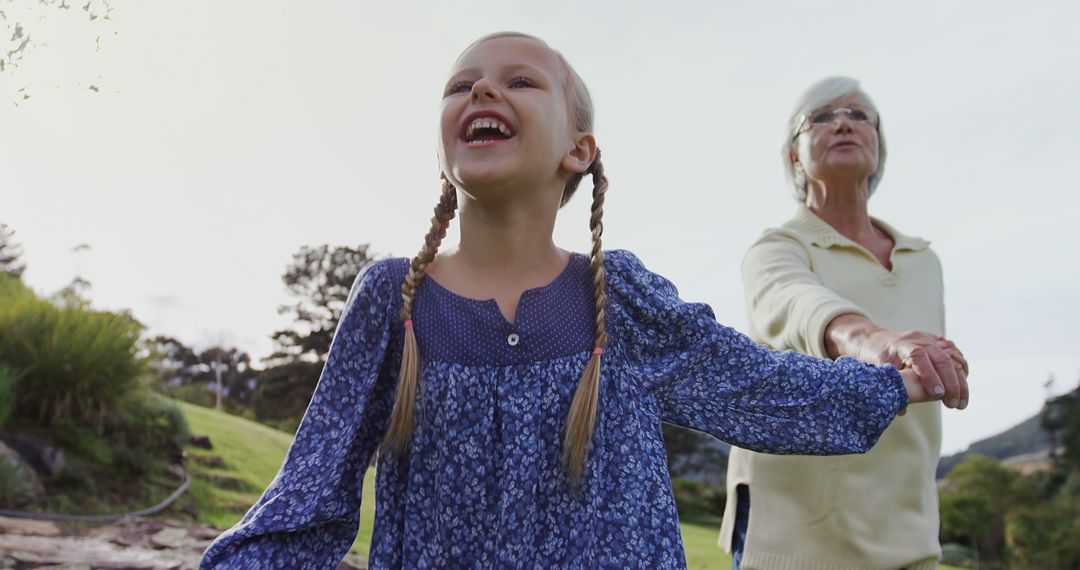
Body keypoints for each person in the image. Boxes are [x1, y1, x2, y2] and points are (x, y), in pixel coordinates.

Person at [200, 39, 951, 569]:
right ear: (442, 147)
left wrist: (894, 380)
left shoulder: (615, 300)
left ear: (579, 149)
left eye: (520, 81)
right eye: (462, 84)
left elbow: (757, 388)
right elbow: (308, 499)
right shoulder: (394, 300)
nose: (483, 90)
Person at [719, 76, 970, 570]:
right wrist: (875, 340)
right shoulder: (775, 250)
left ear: (878, 144)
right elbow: (800, 304)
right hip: (796, 535)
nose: (843, 123)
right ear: (794, 154)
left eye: (859, 116)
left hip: (908, 534)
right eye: (821, 117)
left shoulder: (923, 261)